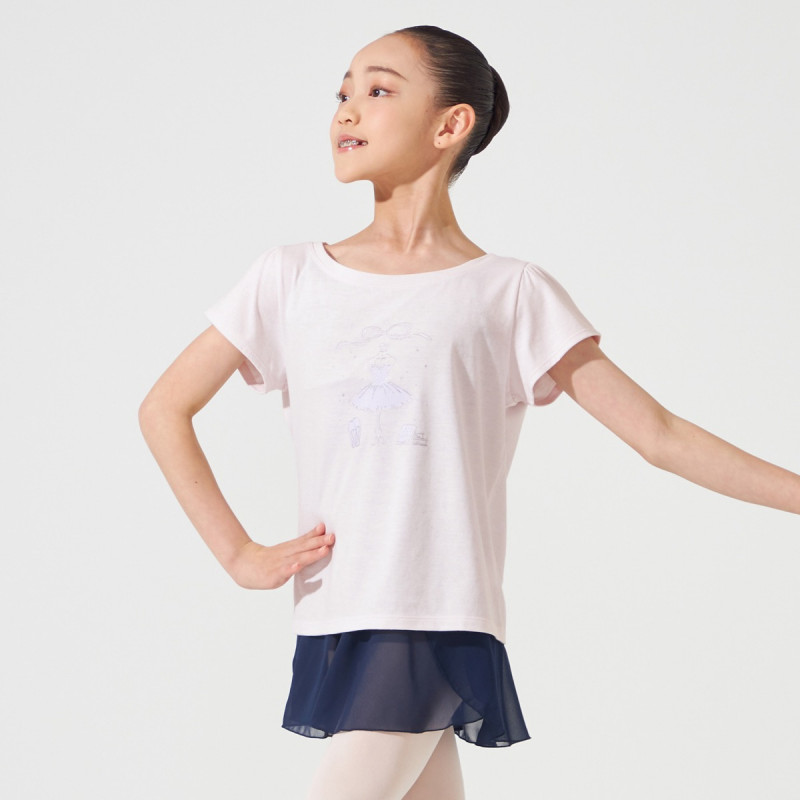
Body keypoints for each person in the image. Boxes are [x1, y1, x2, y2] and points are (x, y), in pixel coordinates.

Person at [138, 24, 800, 800]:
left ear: (451, 124)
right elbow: (165, 407)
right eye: (342, 92)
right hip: (336, 611)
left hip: (434, 608)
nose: (346, 109)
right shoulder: (289, 279)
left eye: (378, 90)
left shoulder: (509, 293)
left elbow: (659, 435)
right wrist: (238, 553)